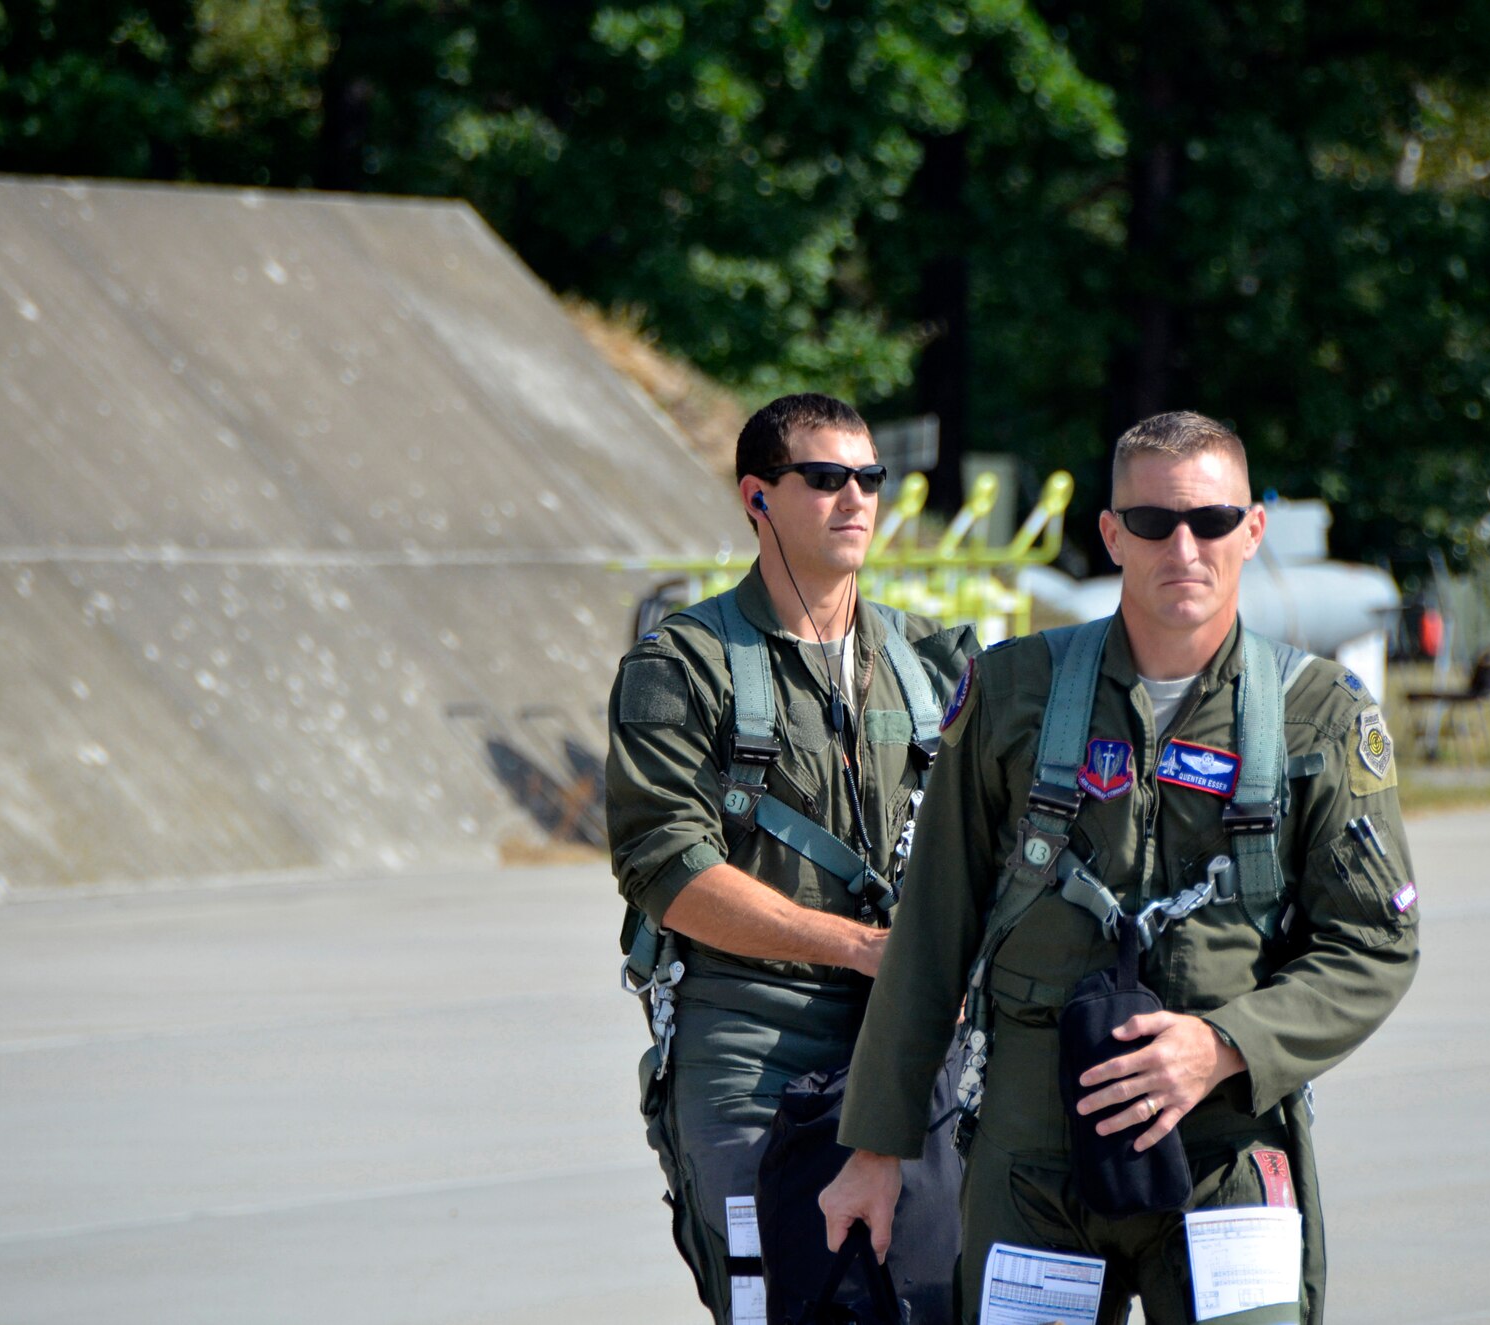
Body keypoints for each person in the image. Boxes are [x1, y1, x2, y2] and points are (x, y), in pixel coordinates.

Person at [818, 411, 1421, 1325]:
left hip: (1223, 1145)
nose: (1185, 546)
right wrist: (874, 1149)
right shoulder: (1012, 690)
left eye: (1213, 520)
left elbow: (1376, 942)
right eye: (1151, 522)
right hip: (1034, 1156)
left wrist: (1221, 1046)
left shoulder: (1320, 716)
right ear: (1110, 533)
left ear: (1253, 529)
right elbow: (931, 932)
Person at [606, 393, 978, 1324]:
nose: (855, 498)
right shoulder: (679, 666)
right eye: (824, 478)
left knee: (931, 1301)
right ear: (757, 497)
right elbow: (667, 867)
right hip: (752, 1045)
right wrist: (857, 946)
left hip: (914, 1046)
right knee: (778, 1303)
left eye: (870, 478)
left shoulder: (936, 664)